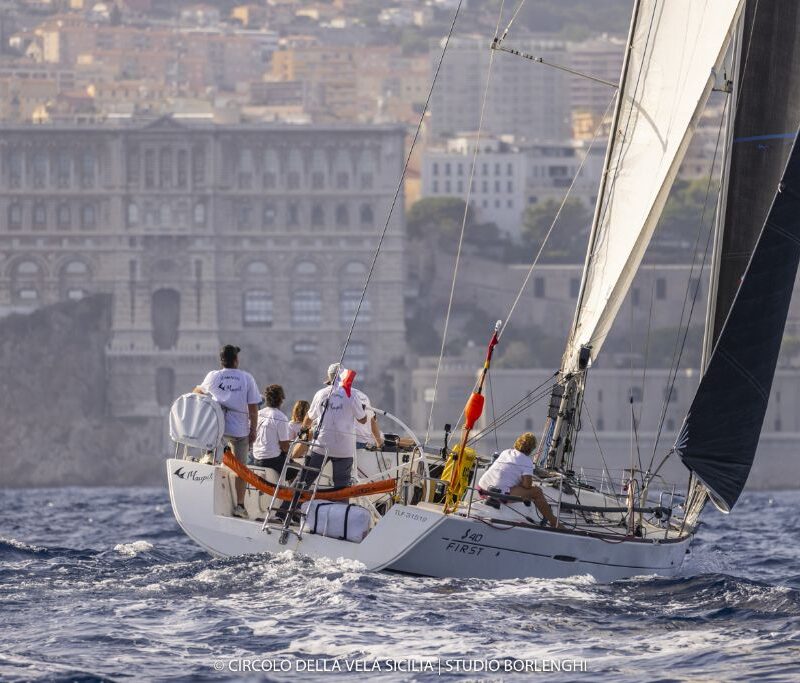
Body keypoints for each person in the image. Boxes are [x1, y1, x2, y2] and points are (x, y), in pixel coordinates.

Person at [194, 344, 260, 519]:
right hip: (240, 432)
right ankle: (239, 506)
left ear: (221, 360)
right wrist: (253, 430)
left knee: (212, 450)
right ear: (236, 360)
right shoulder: (247, 378)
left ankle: (208, 459)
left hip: (219, 430)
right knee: (241, 469)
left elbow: (197, 393)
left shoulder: (213, 376)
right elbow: (253, 408)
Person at [299, 363, 367, 490]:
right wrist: (361, 411)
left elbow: (309, 418)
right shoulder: (352, 394)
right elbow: (362, 420)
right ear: (344, 376)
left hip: (320, 447)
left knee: (303, 482)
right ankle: (340, 506)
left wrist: (302, 431)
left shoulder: (320, 394)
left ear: (329, 378)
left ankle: (289, 506)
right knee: (341, 488)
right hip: (344, 450)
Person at [477, 432, 560, 528]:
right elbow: (527, 485)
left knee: (517, 484)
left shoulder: (506, 452)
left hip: (481, 488)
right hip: (498, 495)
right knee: (537, 492)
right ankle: (554, 522)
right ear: (532, 448)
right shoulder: (527, 461)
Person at [251, 384, 294, 479]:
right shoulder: (280, 417)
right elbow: (285, 447)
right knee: (298, 471)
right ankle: (291, 493)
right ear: (281, 399)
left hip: (256, 458)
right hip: (271, 460)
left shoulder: (259, 413)